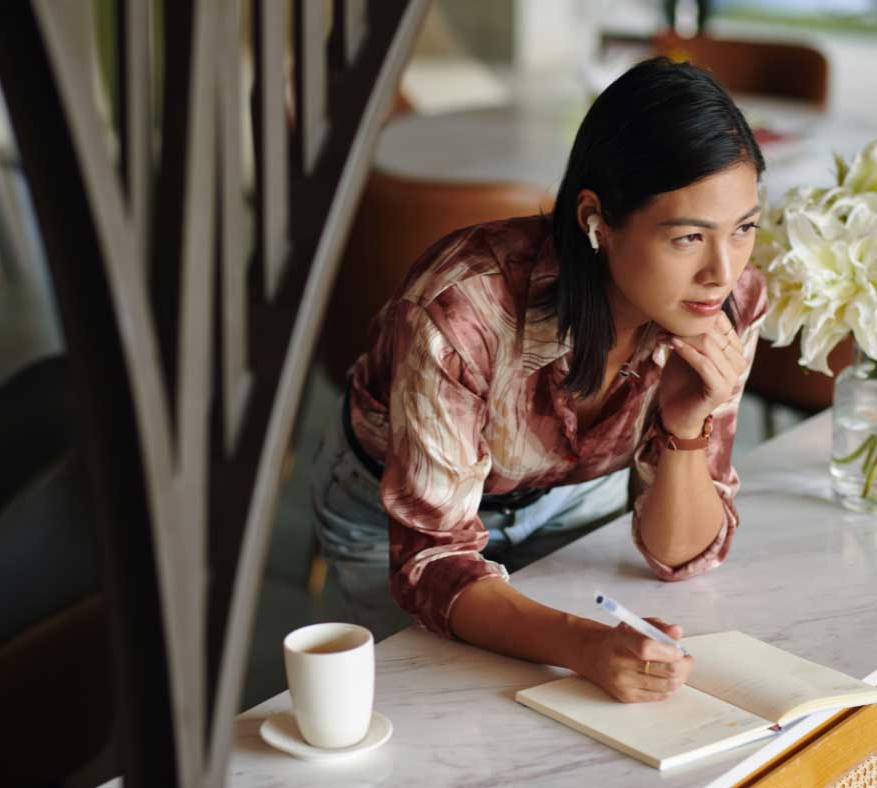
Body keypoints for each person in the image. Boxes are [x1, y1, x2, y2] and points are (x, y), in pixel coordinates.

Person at [311, 56, 767, 703]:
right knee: (430, 720)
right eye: (688, 238)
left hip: (571, 499)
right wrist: (584, 645)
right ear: (596, 220)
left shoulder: (727, 303)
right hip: (400, 516)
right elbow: (431, 561)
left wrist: (687, 426)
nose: (722, 271)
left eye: (744, 228)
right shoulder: (462, 309)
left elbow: (682, 556)